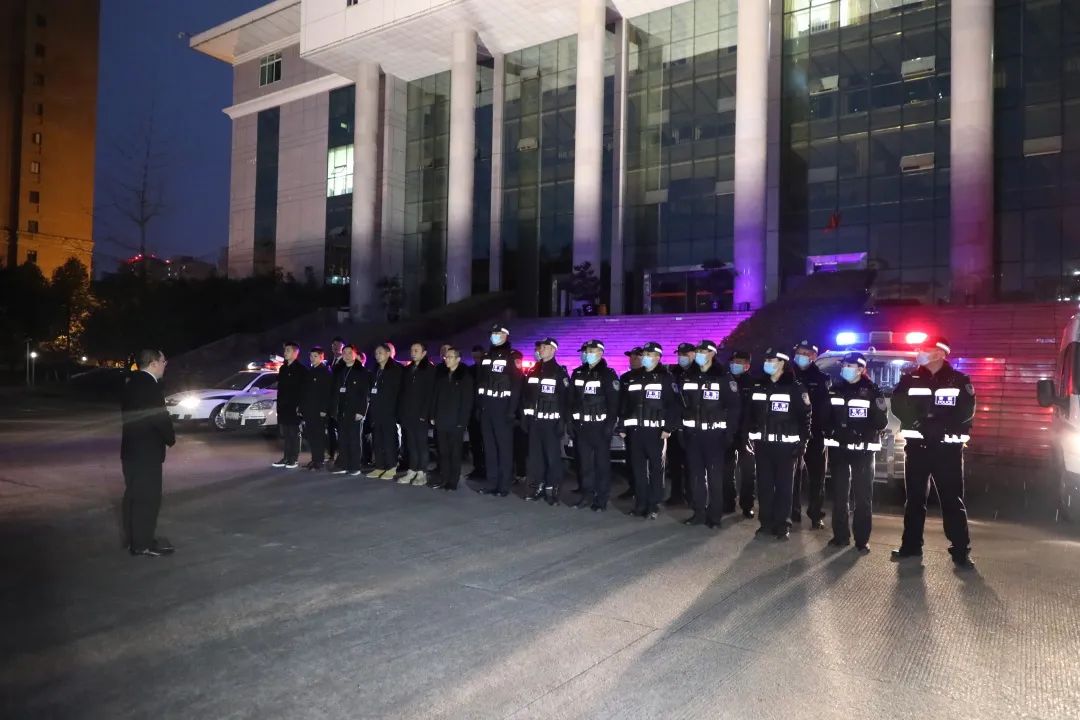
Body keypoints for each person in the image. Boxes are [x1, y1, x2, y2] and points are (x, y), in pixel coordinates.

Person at [890, 336, 976, 569]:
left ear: (939, 353)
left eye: (925, 349)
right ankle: (910, 546)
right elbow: (898, 404)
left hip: (947, 451)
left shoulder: (959, 381)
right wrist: (918, 423)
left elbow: (966, 411)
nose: (920, 352)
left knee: (952, 500)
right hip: (917, 448)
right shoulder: (910, 379)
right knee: (914, 500)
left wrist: (942, 427)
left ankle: (961, 551)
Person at [824, 352, 888, 552]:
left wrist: (859, 432)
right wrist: (834, 432)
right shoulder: (835, 389)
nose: (845, 368)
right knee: (839, 495)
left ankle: (862, 540)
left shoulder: (872, 391)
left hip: (863, 451)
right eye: (844, 365)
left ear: (860, 369)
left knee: (862, 497)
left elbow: (881, 421)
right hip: (839, 449)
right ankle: (840, 536)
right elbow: (825, 417)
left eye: (849, 366)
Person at [747, 348, 811, 540]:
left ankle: (783, 525)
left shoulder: (795, 387)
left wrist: (803, 442)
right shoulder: (759, 385)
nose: (767, 363)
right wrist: (746, 436)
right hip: (763, 445)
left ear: (782, 363)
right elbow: (749, 415)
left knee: (784, 487)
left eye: (772, 360)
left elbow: (806, 417)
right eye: (766, 360)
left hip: (786, 447)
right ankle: (765, 523)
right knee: (764, 486)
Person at [679, 340, 741, 529]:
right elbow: (681, 406)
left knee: (715, 478)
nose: (699, 354)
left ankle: (714, 516)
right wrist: (681, 430)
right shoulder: (688, 377)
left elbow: (734, 408)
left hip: (715, 436)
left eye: (703, 351)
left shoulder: (724, 377)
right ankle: (698, 513)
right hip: (693, 435)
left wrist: (729, 433)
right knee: (696, 477)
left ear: (712, 354)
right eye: (698, 351)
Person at [120, 349, 176, 557]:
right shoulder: (150, 386)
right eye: (163, 361)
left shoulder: (131, 382)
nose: (165, 365)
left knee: (133, 496)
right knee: (147, 499)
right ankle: (142, 544)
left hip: (131, 450)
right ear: (153, 363)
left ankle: (133, 539)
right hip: (146, 452)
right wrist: (170, 438)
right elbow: (159, 417)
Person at [620, 342, 680, 519]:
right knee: (638, 469)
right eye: (643, 354)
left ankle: (654, 505)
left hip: (656, 432)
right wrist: (622, 426)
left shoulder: (666, 378)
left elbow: (674, 405)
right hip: (635, 431)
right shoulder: (634, 377)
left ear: (657, 357)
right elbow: (626, 405)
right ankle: (640, 504)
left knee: (656, 470)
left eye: (648, 354)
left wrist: (668, 427)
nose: (644, 357)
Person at [569, 339, 620, 511]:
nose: (587, 354)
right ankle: (586, 495)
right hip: (582, 426)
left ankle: (601, 499)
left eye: (591, 351)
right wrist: (571, 423)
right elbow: (571, 400)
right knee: (585, 464)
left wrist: (609, 426)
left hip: (600, 427)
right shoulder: (578, 373)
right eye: (586, 351)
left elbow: (614, 403)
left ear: (600, 353)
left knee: (601, 465)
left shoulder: (608, 374)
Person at [475, 324, 523, 497]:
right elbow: (480, 382)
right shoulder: (486, 356)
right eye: (492, 333)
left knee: (504, 448)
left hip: (503, 408)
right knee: (489, 448)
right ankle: (491, 483)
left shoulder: (512, 356)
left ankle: (503, 485)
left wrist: (512, 411)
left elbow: (517, 385)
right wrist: (479, 406)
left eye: (497, 333)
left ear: (505, 336)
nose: (494, 336)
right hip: (487, 407)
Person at [521, 337, 571, 505]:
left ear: (553, 350)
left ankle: (553, 491)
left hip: (551, 423)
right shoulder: (533, 370)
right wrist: (525, 418)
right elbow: (527, 397)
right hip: (535, 422)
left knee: (552, 458)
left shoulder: (559, 372)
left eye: (544, 347)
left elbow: (565, 400)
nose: (540, 350)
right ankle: (537, 488)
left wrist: (562, 422)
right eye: (540, 347)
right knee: (535, 458)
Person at [791, 340, 831, 528]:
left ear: (814, 356)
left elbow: (826, 408)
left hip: (815, 434)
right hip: (793, 433)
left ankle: (816, 515)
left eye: (806, 353)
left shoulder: (822, 379)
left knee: (817, 477)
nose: (802, 356)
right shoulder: (789, 375)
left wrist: (823, 429)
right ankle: (793, 512)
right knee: (792, 476)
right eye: (799, 352)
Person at [430, 346, 474, 490]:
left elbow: (467, 402)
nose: (446, 359)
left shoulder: (464, 377)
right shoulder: (442, 376)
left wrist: (462, 422)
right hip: (441, 419)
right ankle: (444, 478)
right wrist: (433, 415)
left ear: (458, 359)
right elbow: (435, 397)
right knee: (443, 452)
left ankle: (453, 481)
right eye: (445, 357)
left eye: (450, 357)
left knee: (454, 452)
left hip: (456, 422)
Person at [722, 350, 758, 518]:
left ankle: (747, 505)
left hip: (746, 433)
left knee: (748, 472)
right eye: (733, 361)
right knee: (726, 471)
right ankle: (728, 502)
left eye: (739, 362)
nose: (734, 365)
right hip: (728, 431)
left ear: (747, 366)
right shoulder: (725, 380)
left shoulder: (753, 383)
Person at [399, 342, 436, 486]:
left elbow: (430, 394)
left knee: (421, 443)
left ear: (424, 353)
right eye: (412, 350)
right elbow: (403, 392)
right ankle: (412, 469)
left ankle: (422, 472)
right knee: (411, 443)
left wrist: (425, 414)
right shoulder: (408, 369)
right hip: (408, 413)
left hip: (421, 414)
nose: (413, 353)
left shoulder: (429, 369)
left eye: (416, 350)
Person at [331, 344, 372, 476]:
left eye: (350, 353)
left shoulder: (362, 371)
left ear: (355, 354)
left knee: (354, 439)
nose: (347, 355)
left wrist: (361, 411)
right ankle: (343, 464)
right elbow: (336, 392)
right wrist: (334, 410)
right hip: (342, 410)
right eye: (344, 353)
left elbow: (365, 393)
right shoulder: (340, 370)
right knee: (343, 439)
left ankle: (355, 466)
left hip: (355, 411)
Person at [665, 342, 698, 507]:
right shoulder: (674, 373)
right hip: (675, 426)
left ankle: (692, 496)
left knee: (692, 464)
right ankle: (676, 495)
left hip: (691, 427)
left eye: (685, 354)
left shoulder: (699, 372)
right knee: (675, 463)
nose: (681, 357)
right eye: (679, 354)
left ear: (694, 354)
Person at [366, 342, 404, 480]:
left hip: (389, 410)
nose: (377, 356)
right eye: (376, 353)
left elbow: (398, 392)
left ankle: (391, 466)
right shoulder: (375, 369)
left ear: (388, 353)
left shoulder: (396, 369)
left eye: (380, 353)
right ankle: (379, 466)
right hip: (376, 410)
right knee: (377, 439)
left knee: (389, 439)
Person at [272, 341, 308, 470]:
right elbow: (280, 389)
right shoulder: (283, 368)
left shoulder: (301, 369)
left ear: (295, 352)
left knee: (294, 433)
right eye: (285, 350)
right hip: (283, 407)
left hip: (294, 407)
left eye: (288, 350)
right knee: (286, 434)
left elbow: (304, 391)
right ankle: (286, 457)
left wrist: (301, 406)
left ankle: (293, 459)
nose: (285, 353)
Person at [616, 346, 644, 501]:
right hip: (630, 425)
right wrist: (621, 424)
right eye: (631, 357)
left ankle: (645, 491)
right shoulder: (625, 377)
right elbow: (622, 403)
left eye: (636, 357)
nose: (632, 360)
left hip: (647, 426)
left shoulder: (650, 376)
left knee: (646, 462)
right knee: (631, 459)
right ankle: (633, 487)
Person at [300, 346, 333, 470]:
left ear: (321, 357)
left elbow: (327, 393)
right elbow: (305, 392)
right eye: (311, 356)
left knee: (318, 436)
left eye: (315, 356)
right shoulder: (311, 371)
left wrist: (324, 409)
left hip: (319, 410)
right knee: (311, 435)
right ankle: (314, 459)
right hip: (309, 409)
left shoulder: (325, 372)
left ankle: (319, 460)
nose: (312, 358)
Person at [466, 344, 487, 478]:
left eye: (479, 357)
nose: (477, 359)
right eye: (474, 357)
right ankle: (478, 467)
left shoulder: (487, 370)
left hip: (484, 411)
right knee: (475, 442)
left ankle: (486, 468)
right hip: (473, 412)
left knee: (486, 443)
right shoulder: (471, 371)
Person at [326, 336, 347, 464]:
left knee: (341, 430)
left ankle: (342, 455)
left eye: (338, 345)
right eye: (333, 345)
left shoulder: (345, 363)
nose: (335, 347)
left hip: (340, 402)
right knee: (330, 429)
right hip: (330, 402)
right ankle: (331, 453)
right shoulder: (329, 362)